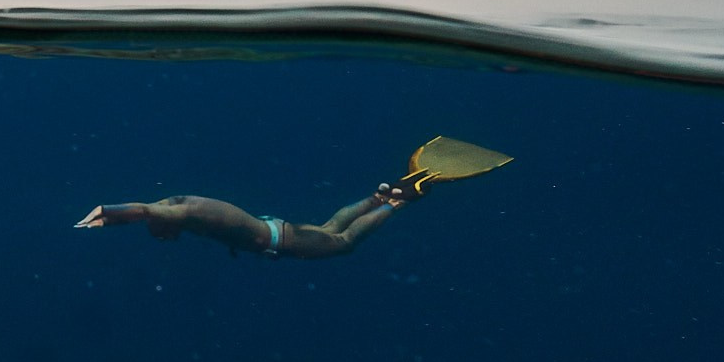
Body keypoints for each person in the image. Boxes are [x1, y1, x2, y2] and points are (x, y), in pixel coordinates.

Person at [73, 136, 510, 260]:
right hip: (273, 227)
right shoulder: (182, 202)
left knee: (342, 243)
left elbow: (145, 211)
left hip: (278, 241)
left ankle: (397, 201)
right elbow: (155, 210)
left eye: (162, 234)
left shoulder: (178, 210)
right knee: (329, 226)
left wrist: (104, 216)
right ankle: (377, 196)